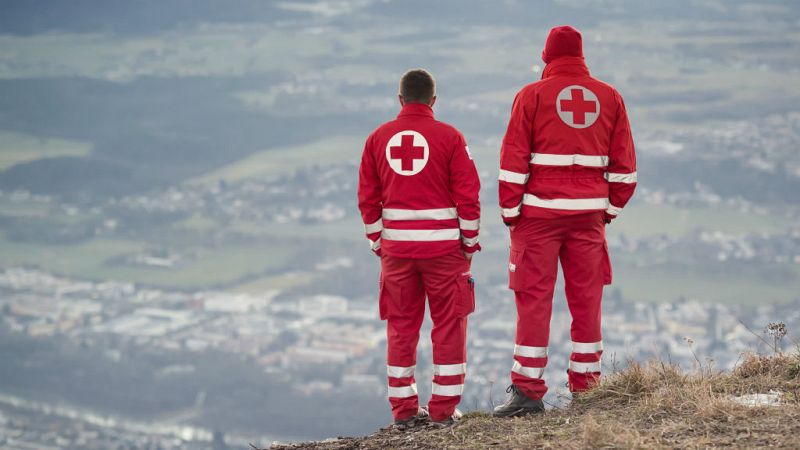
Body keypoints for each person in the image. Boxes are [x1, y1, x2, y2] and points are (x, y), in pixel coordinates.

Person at [492, 25, 637, 417]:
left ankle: (527, 393)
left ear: (546, 57)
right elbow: (625, 171)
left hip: (537, 218)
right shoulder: (611, 98)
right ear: (582, 56)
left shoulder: (531, 96)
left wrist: (511, 214)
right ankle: (587, 389)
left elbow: (513, 161)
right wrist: (605, 212)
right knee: (587, 301)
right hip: (588, 219)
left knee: (533, 301)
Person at [357, 69, 481, 428]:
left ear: (400, 100)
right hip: (444, 252)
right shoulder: (450, 137)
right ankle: (443, 410)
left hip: (397, 254)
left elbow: (367, 198)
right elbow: (468, 196)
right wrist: (469, 243)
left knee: (400, 327)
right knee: (449, 326)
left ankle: (404, 410)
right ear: (433, 101)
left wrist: (379, 242)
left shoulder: (377, 139)